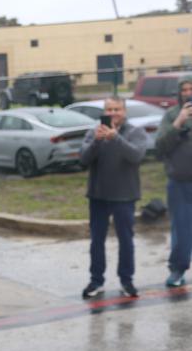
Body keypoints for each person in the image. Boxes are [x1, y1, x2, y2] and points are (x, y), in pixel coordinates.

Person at [79, 96, 147, 299]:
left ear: (124, 111)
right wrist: (97, 142)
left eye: (117, 109)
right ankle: (96, 281)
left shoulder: (135, 132)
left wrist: (115, 137)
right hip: (98, 195)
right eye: (109, 109)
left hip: (125, 195)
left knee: (126, 240)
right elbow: (83, 159)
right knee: (96, 241)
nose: (113, 113)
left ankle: (127, 281)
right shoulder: (94, 132)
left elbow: (136, 156)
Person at [155, 80, 192, 288]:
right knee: (183, 228)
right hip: (180, 182)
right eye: (184, 90)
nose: (188, 94)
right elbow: (159, 147)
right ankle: (178, 269)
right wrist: (178, 123)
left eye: (191, 90)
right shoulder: (171, 115)